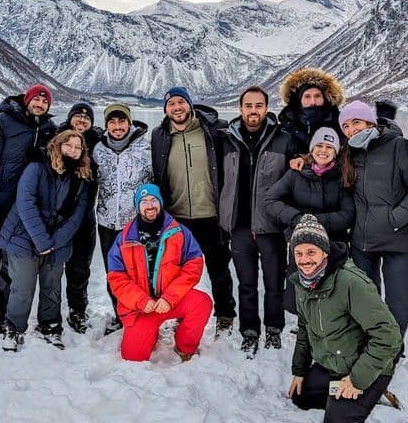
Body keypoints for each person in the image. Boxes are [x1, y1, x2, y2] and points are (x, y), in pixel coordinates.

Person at [287, 215, 408, 423]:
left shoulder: (350, 283)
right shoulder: (303, 283)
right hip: (335, 362)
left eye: (311, 252)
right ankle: (368, 399)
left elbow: (390, 336)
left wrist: (356, 380)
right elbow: (304, 327)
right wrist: (299, 371)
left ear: (324, 252)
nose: (304, 260)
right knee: (301, 397)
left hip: (366, 366)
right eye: (299, 254)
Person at [0, 83, 57, 357]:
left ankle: (0, 318)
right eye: (37, 100)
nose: (40, 105)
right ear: (26, 100)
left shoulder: (48, 130)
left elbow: (68, 145)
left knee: (10, 271)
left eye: (45, 102)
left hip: (21, 216)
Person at [219, 86, 300, 355]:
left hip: (271, 226)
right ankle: (250, 331)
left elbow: (294, 182)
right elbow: (220, 180)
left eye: (258, 106)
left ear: (266, 108)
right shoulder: (227, 140)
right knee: (246, 284)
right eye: (248, 106)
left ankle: (274, 329)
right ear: (240, 108)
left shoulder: (283, 139)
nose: (253, 111)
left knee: (275, 283)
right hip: (240, 225)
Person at [0, 130, 92, 351]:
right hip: (23, 236)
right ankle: (14, 328)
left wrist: (53, 242)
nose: (73, 151)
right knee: (23, 286)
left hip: (57, 241)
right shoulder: (37, 167)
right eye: (68, 145)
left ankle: (50, 326)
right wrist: (42, 241)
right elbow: (25, 204)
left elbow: (77, 215)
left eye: (78, 148)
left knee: (52, 286)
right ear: (57, 145)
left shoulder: (81, 176)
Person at [151, 86, 236, 336]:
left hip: (210, 214)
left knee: (219, 268)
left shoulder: (213, 131)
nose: (177, 107)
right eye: (171, 104)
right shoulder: (160, 135)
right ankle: (182, 311)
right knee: (178, 272)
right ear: (166, 110)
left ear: (189, 104)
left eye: (181, 102)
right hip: (177, 217)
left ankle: (225, 315)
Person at [337, 100, 408, 346]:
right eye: (346, 126)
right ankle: (371, 346)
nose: (351, 129)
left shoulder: (398, 146)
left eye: (356, 122)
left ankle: (392, 350)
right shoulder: (348, 152)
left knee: (399, 305)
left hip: (397, 241)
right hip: (362, 242)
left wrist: (395, 219)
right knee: (366, 302)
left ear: (370, 122)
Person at [106, 184, 213, 362]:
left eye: (154, 200)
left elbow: (193, 265)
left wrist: (170, 297)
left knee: (202, 303)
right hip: (142, 307)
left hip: (171, 300)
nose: (150, 206)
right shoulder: (124, 239)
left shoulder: (179, 232)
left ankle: (185, 347)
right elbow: (117, 279)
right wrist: (141, 301)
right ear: (138, 206)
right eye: (144, 202)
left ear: (161, 203)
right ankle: (149, 333)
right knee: (133, 357)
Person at [265, 127, 355, 317]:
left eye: (329, 147)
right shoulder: (296, 173)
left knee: (331, 293)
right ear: (312, 148)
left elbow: (347, 214)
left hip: (333, 244)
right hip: (301, 242)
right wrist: (298, 219)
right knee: (299, 293)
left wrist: (315, 221)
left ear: (336, 151)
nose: (323, 150)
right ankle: (305, 327)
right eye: (319, 145)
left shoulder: (342, 177)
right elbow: (270, 200)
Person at [91, 103, 153, 333]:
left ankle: (142, 314)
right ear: (107, 125)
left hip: (136, 223)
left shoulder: (145, 149)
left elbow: (157, 183)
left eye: (121, 121)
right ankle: (121, 314)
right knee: (114, 273)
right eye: (112, 122)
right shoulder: (98, 150)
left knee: (139, 272)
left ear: (129, 122)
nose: (117, 127)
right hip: (107, 222)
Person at [56, 102, 102, 333]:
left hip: (85, 216)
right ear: (70, 119)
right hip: (57, 217)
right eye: (78, 117)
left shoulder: (98, 143)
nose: (82, 121)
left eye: (87, 118)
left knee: (80, 267)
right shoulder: (56, 138)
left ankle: (77, 310)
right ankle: (50, 312)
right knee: (52, 268)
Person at [277, 68, 346, 156]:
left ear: (325, 98)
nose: (313, 102)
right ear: (298, 100)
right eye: (307, 96)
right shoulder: (285, 128)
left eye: (317, 96)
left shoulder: (341, 124)